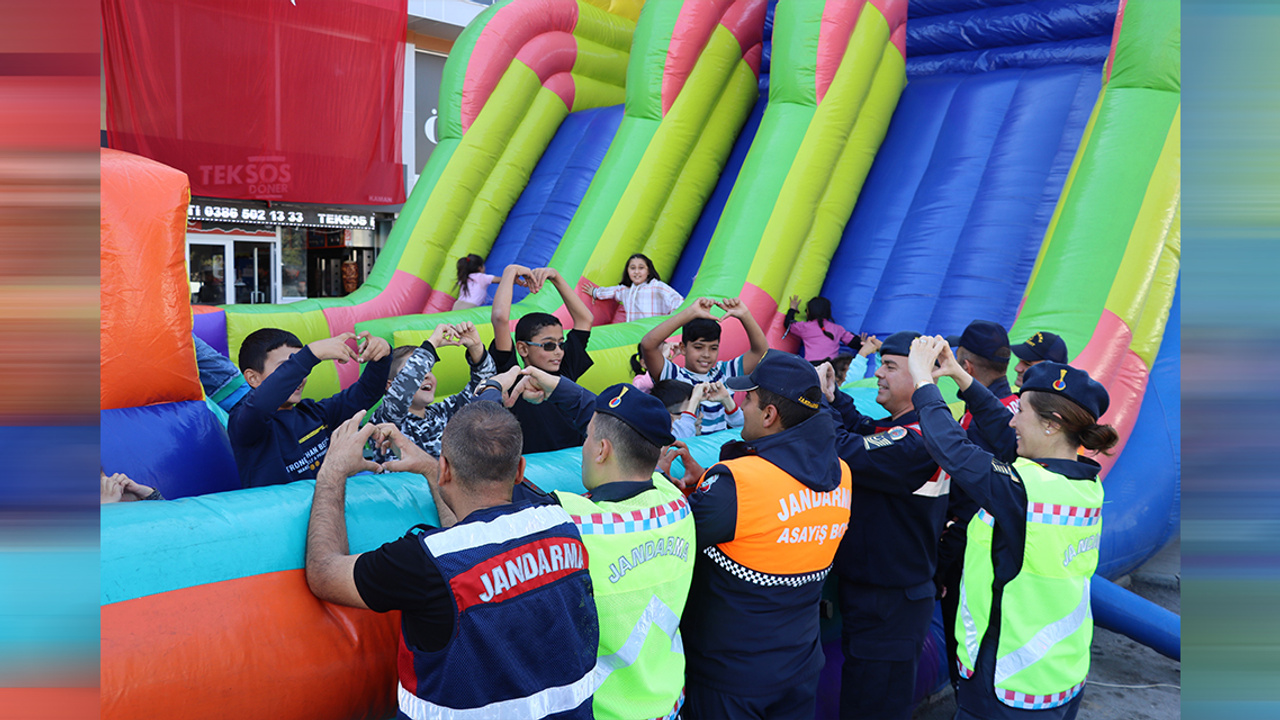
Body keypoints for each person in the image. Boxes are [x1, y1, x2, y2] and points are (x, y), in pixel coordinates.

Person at [305, 405, 600, 719]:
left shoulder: (424, 562)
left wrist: (332, 470)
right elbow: (471, 543)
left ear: (446, 469)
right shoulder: (563, 524)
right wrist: (433, 470)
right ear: (519, 470)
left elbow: (324, 572)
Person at [906, 337, 1115, 719]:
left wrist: (923, 382)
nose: (1013, 418)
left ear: (1053, 426)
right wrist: (961, 377)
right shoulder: (1082, 482)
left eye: (1023, 412)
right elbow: (1004, 430)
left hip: (1007, 689)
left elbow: (952, 449)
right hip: (1058, 677)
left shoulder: (1023, 491)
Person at [494, 369, 698, 720]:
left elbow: (489, 468)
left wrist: (492, 390)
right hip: (668, 705)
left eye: (587, 438)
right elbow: (621, 421)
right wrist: (556, 385)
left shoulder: (574, 523)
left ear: (602, 450)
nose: (584, 445)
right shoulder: (674, 501)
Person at [664, 351, 852, 719]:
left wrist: (660, 485)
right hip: (799, 664)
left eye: (747, 398)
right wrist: (705, 481)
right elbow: (768, 521)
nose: (741, 404)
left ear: (769, 415)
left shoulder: (737, 483)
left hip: (732, 676)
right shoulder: (841, 473)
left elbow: (674, 537)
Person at [819, 330, 948, 720]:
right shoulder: (911, 429)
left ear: (919, 377)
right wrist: (833, 397)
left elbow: (847, 449)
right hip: (882, 598)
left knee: (872, 706)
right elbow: (864, 430)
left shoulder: (916, 440)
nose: (879, 374)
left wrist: (815, 406)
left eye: (890, 367)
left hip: (889, 604)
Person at [938, 319, 1023, 695]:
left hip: (971, 547)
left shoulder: (993, 418)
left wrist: (945, 554)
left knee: (968, 641)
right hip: (986, 543)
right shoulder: (1014, 407)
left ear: (965, 366)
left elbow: (975, 492)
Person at [229, 328, 391, 488]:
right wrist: (310, 355)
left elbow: (366, 392)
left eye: (302, 369)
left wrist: (382, 354)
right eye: (287, 367)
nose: (300, 377)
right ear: (253, 378)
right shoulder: (245, 424)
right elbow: (260, 405)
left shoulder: (315, 413)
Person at [490, 263, 596, 453]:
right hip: (535, 468)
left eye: (561, 344)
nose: (558, 351)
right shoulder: (513, 375)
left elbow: (585, 319)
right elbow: (500, 319)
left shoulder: (564, 370)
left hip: (573, 462)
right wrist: (510, 272)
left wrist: (556, 277)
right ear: (523, 349)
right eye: (548, 345)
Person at [639, 297, 769, 434]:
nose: (706, 354)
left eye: (713, 348)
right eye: (698, 347)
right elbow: (648, 345)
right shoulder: (672, 375)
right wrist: (690, 313)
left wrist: (744, 314)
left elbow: (760, 351)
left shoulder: (724, 373)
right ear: (683, 348)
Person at [369, 321, 496, 458]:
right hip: (405, 480)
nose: (427, 374)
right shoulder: (385, 419)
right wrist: (432, 344)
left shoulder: (445, 413)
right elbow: (404, 390)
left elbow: (483, 390)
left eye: (429, 370)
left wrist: (476, 347)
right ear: (390, 385)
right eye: (419, 371)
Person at [580, 253, 685, 322]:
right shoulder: (626, 290)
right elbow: (611, 291)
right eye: (632, 268)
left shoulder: (656, 286)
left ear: (648, 271)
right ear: (627, 271)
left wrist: (672, 320)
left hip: (653, 332)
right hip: (633, 333)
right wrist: (595, 292)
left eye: (641, 268)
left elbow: (676, 299)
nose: (636, 272)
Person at [784, 295, 861, 361]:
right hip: (831, 365)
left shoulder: (805, 327)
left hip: (812, 365)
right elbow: (853, 342)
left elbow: (788, 324)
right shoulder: (837, 329)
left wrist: (792, 309)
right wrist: (861, 342)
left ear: (809, 313)